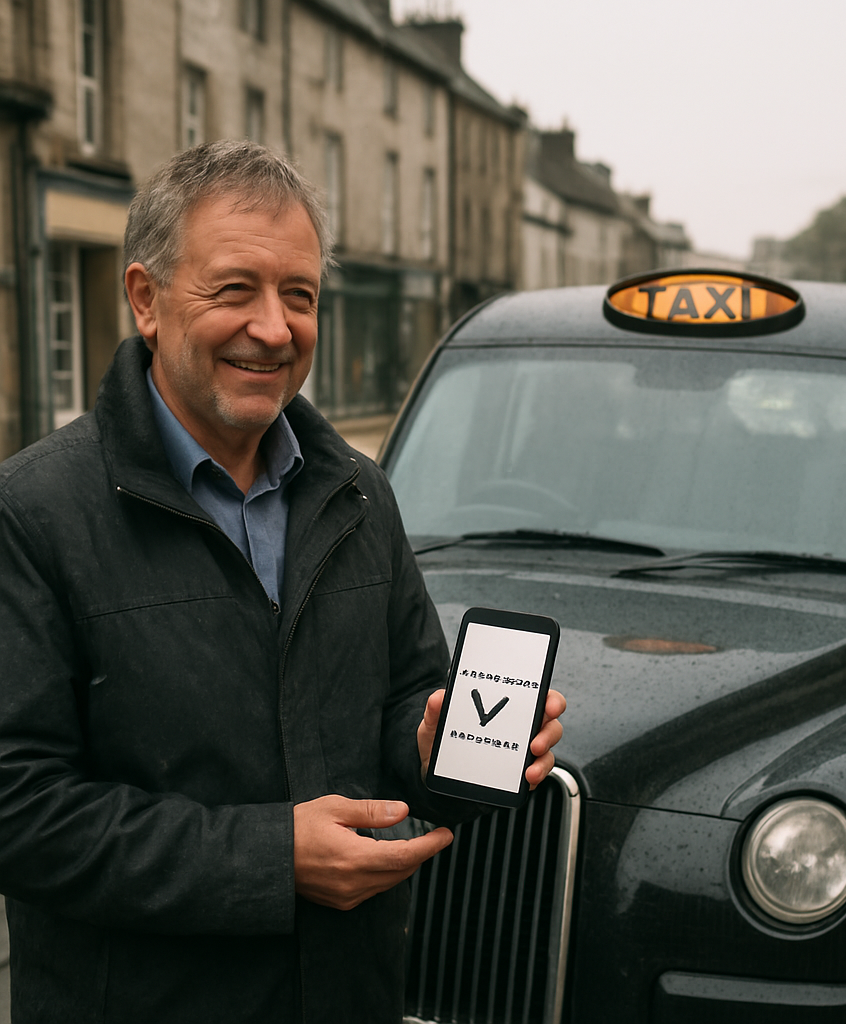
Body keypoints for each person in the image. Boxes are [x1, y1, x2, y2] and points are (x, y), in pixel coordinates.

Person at [0, 140, 566, 1023]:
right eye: (235, 290)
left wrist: (433, 750)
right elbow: (20, 810)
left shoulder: (358, 492)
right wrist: (273, 859)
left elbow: (401, 701)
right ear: (146, 300)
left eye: (298, 295)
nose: (274, 327)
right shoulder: (32, 511)